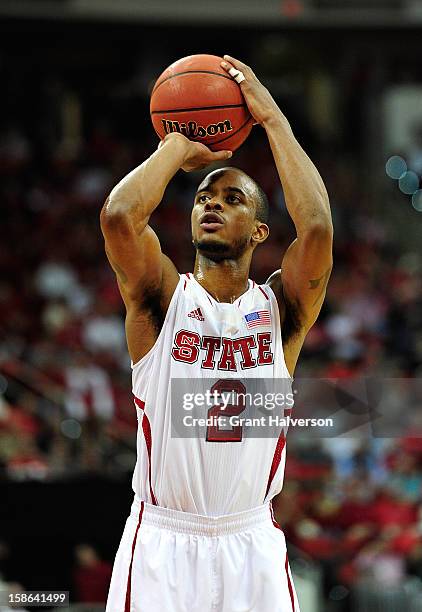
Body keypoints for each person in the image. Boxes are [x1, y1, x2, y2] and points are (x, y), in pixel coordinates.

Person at [101, 55, 333, 612]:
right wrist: (177, 144)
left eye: (233, 199)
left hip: (250, 542)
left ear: (259, 230)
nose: (212, 203)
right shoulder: (160, 298)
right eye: (205, 196)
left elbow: (318, 227)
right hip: (163, 540)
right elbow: (118, 217)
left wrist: (273, 121)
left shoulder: (283, 309)